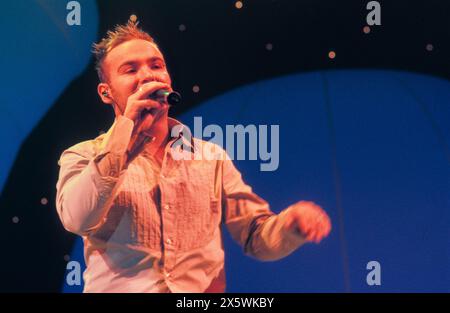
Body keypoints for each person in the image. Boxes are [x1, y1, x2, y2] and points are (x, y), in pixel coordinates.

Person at [55, 18, 331, 293]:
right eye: (130, 70)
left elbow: (255, 236)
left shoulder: (210, 157)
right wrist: (124, 140)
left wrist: (289, 224)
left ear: (168, 79)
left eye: (156, 66)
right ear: (106, 92)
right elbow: (78, 218)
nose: (148, 75)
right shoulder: (83, 155)